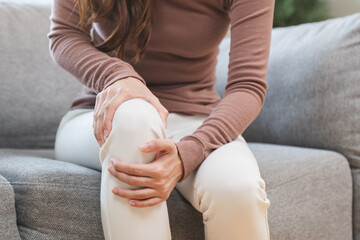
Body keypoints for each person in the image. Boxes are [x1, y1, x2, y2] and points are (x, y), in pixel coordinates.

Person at [48, 0, 274, 239]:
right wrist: (118, 77)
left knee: (238, 189)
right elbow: (64, 35)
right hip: (103, 117)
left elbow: (247, 85)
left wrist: (189, 151)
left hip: (195, 121)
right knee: (134, 117)